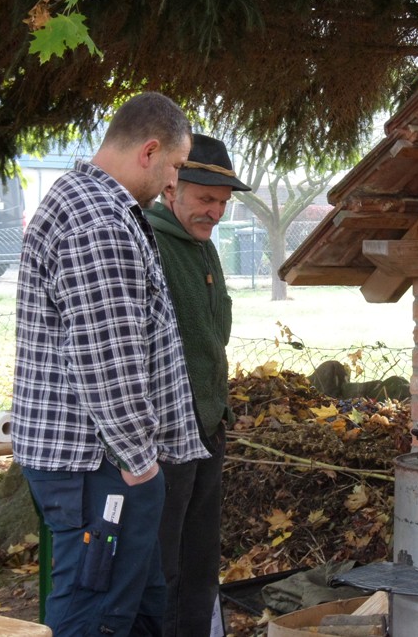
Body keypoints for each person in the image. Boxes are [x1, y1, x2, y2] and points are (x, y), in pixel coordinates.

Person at [12, 92, 211, 637]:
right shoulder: (99, 221)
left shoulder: (88, 203)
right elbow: (108, 359)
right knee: (96, 615)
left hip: (102, 460)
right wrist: (140, 463)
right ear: (149, 151)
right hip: (99, 464)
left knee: (137, 608)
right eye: (174, 166)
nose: (174, 184)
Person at [145, 134, 251, 636]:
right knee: (163, 567)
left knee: (200, 561)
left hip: (208, 428)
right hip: (165, 434)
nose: (215, 212)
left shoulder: (203, 248)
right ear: (172, 189)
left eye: (222, 203)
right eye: (205, 199)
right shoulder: (151, 241)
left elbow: (216, 333)